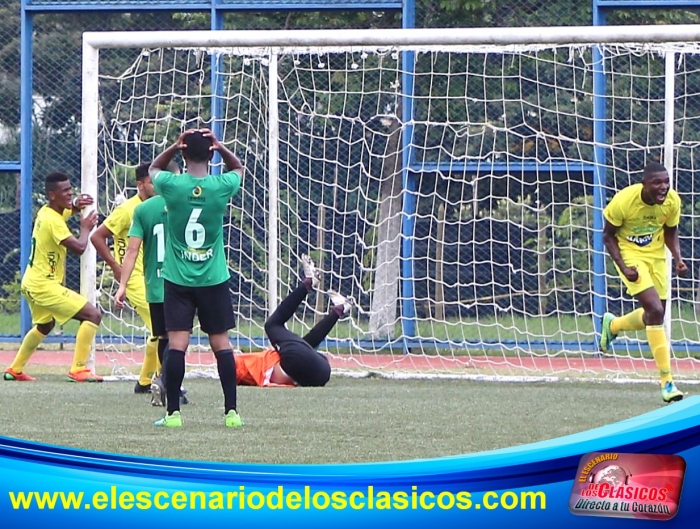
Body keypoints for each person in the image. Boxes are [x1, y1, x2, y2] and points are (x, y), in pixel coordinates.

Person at [149, 128, 244, 428]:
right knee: (221, 344)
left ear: (184, 153)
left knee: (177, 344)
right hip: (213, 278)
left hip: (178, 279)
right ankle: (231, 412)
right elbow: (238, 168)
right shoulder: (220, 186)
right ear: (211, 154)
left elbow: (154, 168)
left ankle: (173, 414)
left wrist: (172, 147)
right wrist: (222, 146)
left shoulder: (173, 186)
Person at [599, 161, 688, 403]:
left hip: (656, 255)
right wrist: (623, 266)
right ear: (644, 184)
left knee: (655, 315)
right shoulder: (623, 201)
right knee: (656, 310)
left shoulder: (672, 201)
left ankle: (614, 325)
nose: (664, 187)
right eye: (657, 182)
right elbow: (608, 236)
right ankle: (667, 381)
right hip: (630, 254)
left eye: (666, 182)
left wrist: (678, 259)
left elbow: (670, 231)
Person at [3, 172, 103, 382]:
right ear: (52, 195)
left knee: (45, 326)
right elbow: (79, 247)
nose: (70, 193)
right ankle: (78, 369)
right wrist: (85, 228)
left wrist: (75, 205)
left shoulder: (47, 211)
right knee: (92, 315)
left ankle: (15, 369)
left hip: (31, 282)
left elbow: (65, 212)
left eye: (70, 189)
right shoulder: (52, 221)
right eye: (65, 191)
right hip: (43, 285)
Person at [114, 161, 188, 407]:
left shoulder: (144, 209)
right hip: (180, 282)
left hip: (155, 284)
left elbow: (132, 250)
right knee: (179, 339)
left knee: (163, 337)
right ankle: (170, 384)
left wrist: (122, 285)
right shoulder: (185, 204)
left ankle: (163, 383)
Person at [91, 163, 161, 394]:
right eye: (151, 182)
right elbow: (97, 236)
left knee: (160, 329)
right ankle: (166, 382)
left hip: (153, 275)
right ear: (140, 184)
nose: (156, 186)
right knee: (163, 328)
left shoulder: (158, 207)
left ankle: (145, 382)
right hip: (134, 278)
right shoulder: (127, 210)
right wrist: (115, 266)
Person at [235, 254, 353, 388]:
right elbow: (230, 366)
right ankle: (309, 283)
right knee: (272, 325)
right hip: (302, 364)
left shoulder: (253, 367)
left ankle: (340, 309)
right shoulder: (236, 365)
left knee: (305, 344)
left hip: (321, 373)